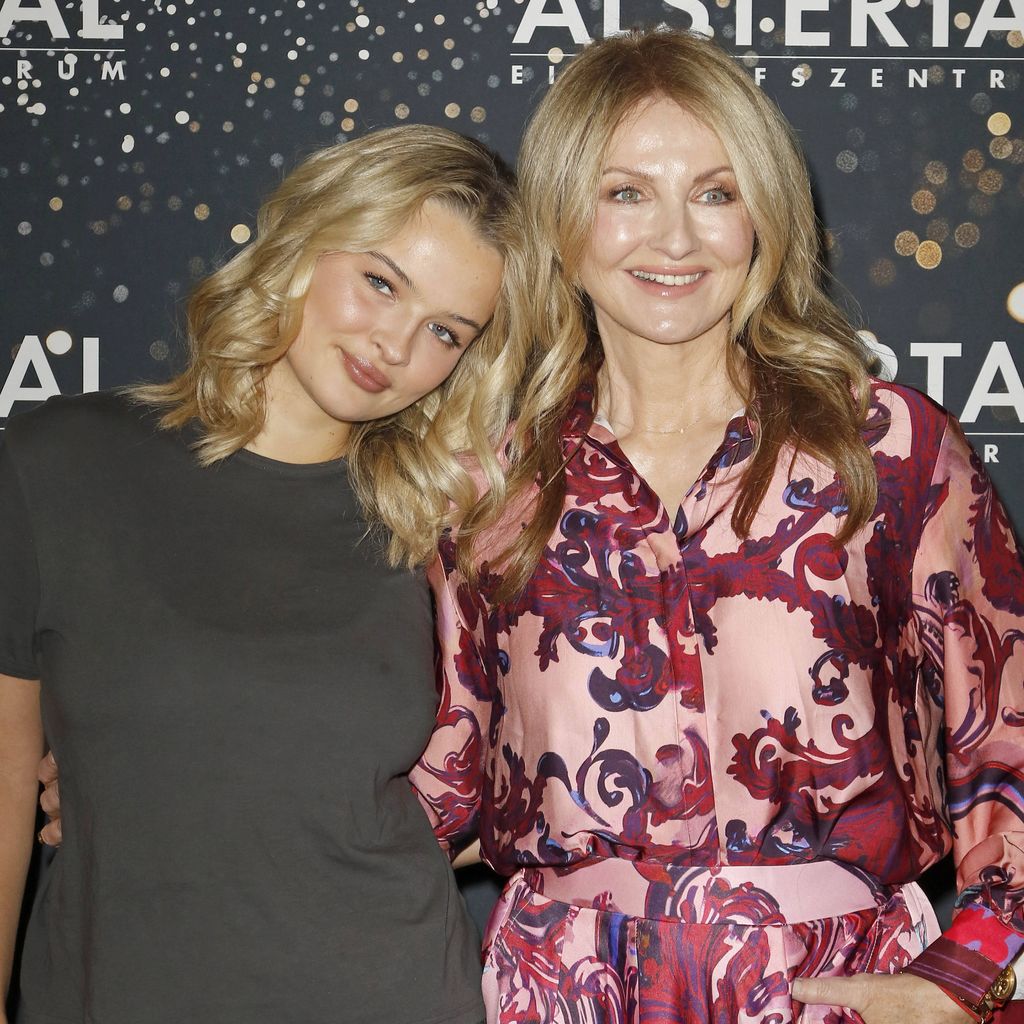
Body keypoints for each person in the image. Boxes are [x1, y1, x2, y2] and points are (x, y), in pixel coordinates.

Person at [408, 28, 1024, 1024]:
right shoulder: (486, 477)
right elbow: (434, 772)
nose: (675, 240)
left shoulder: (886, 449)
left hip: (835, 988)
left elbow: (1008, 732)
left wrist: (967, 970)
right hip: (563, 989)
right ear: (562, 220)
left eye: (714, 191)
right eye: (625, 194)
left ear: (762, 217)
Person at [0, 124, 524, 1024]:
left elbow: (569, 768)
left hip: (390, 991)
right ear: (310, 236)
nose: (395, 344)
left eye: (444, 329)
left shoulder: (442, 529)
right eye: (379, 282)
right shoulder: (60, 463)